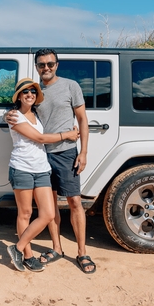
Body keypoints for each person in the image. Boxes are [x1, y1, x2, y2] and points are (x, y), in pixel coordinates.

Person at [7, 48, 96, 274]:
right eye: (41, 65)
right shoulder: (34, 92)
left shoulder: (70, 86)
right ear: (36, 66)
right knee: (50, 206)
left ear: (57, 64)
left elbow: (83, 119)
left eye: (50, 64)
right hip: (41, 155)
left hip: (66, 152)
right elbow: (20, 111)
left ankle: (82, 252)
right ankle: (57, 248)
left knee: (75, 202)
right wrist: (6, 114)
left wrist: (83, 152)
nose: (46, 68)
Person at [5, 78, 79, 272]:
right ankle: (28, 256)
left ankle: (17, 248)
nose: (30, 94)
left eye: (33, 92)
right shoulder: (14, 116)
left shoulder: (37, 115)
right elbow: (40, 138)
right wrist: (67, 135)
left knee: (48, 214)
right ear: (19, 96)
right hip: (22, 168)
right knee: (26, 214)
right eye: (25, 91)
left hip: (41, 168)